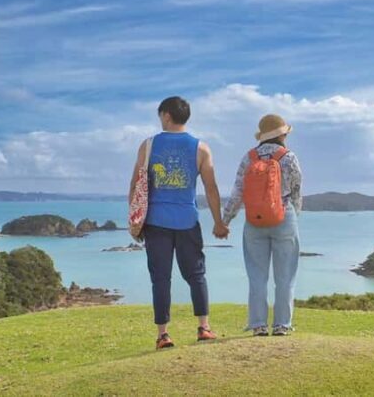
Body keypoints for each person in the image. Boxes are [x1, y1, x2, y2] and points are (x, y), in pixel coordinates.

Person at [129, 96, 229, 349]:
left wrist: (135, 221)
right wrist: (219, 222)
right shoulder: (201, 148)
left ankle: (163, 335)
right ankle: (204, 328)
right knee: (196, 275)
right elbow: (211, 188)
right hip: (187, 220)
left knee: (161, 278)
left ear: (166, 116)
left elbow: (136, 184)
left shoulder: (149, 145)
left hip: (156, 222)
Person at [223, 114, 303, 337]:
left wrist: (225, 221)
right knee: (285, 276)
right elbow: (296, 190)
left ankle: (258, 325)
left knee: (257, 276)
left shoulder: (248, 158)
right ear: (283, 134)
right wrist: (294, 214)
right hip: (283, 217)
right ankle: (282, 325)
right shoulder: (288, 157)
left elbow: (237, 194)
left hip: (254, 219)